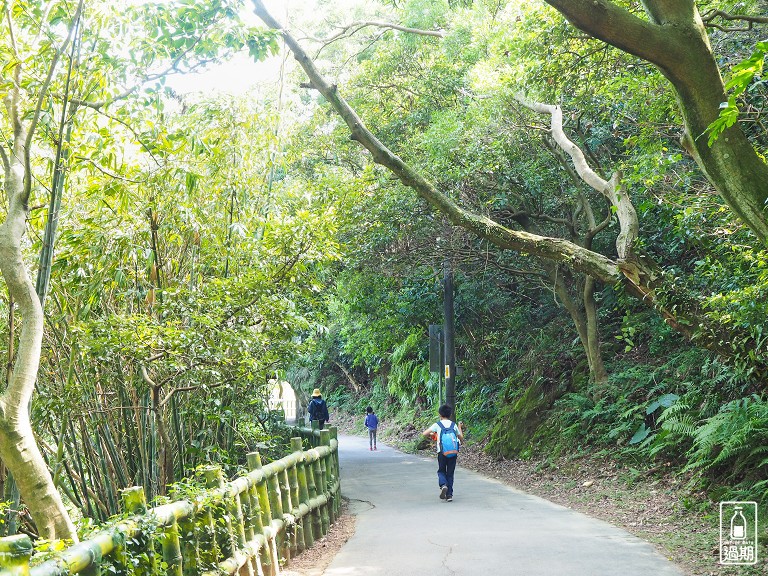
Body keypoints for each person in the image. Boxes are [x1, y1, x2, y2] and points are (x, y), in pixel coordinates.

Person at [422, 404, 464, 502]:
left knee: (441, 471)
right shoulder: (453, 425)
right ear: (450, 414)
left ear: (440, 414)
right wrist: (459, 426)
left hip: (442, 452)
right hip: (453, 452)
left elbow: (424, 433)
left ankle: (443, 485)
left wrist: (433, 434)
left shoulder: (437, 425)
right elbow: (461, 438)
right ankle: (449, 495)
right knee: (450, 473)